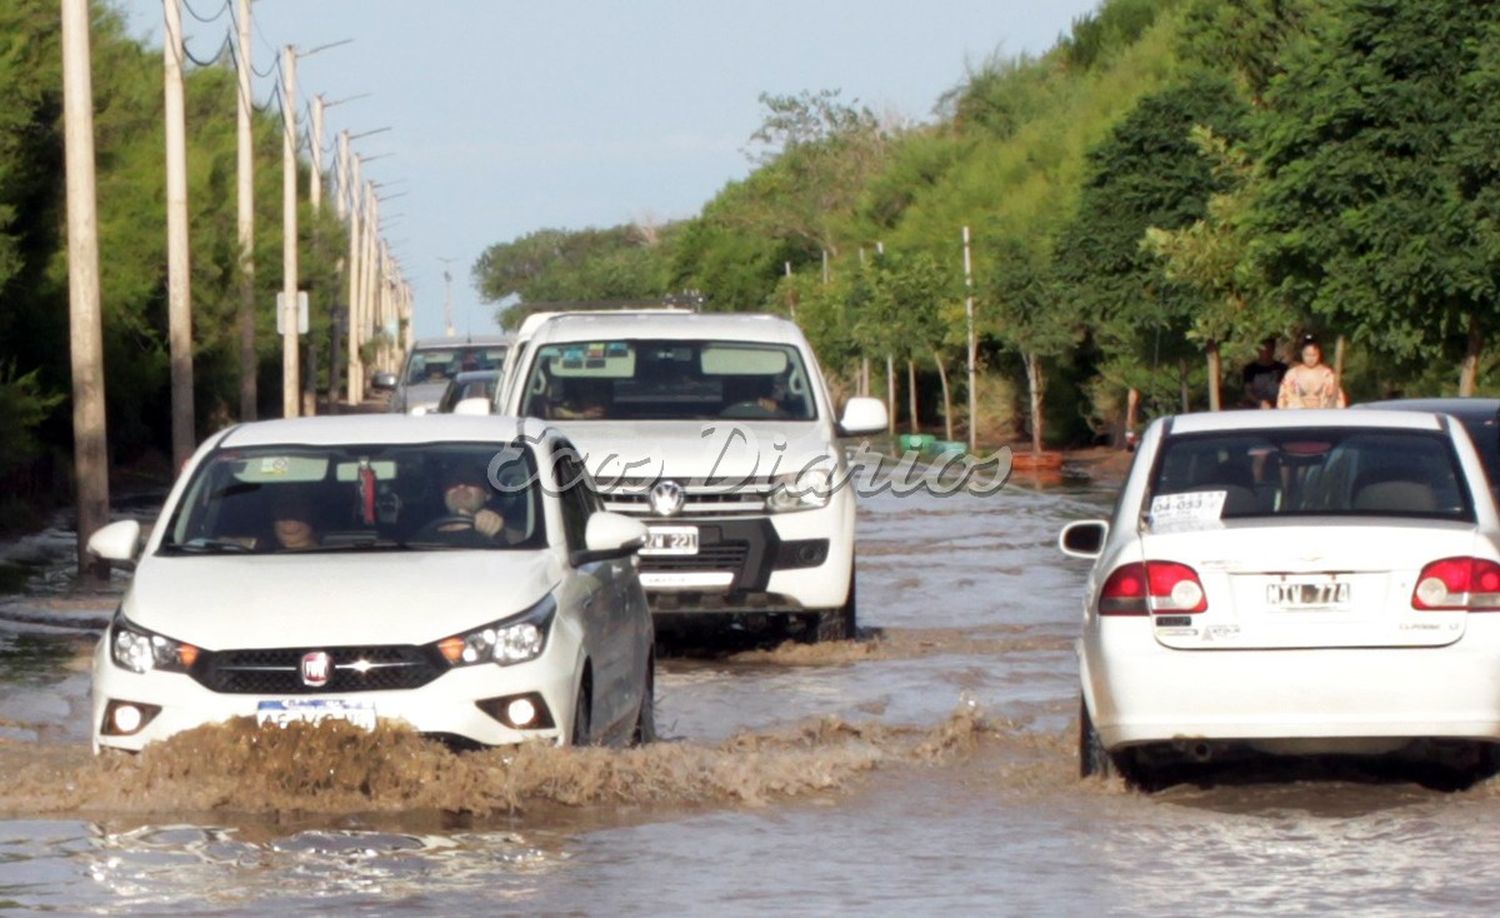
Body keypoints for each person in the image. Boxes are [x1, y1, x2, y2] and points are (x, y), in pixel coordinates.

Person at [436, 467, 506, 538]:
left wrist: (499, 533)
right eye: (451, 482)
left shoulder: (507, 537)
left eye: (471, 480)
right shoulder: (426, 536)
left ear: (487, 494)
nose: (461, 486)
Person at [1278, 336, 1346, 409]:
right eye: (1307, 355)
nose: (1311, 358)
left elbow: (1338, 399)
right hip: (1297, 415)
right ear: (1302, 353)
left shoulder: (1327, 374)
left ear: (1319, 354)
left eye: (1314, 355)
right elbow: (1282, 399)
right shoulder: (1292, 374)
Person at [1242, 338, 1287, 409]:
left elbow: (1286, 389)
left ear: (1273, 350)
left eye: (1269, 349)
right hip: (1255, 405)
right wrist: (1260, 402)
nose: (1266, 352)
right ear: (1258, 350)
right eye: (1263, 349)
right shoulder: (1250, 369)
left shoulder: (1282, 368)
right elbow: (1248, 390)